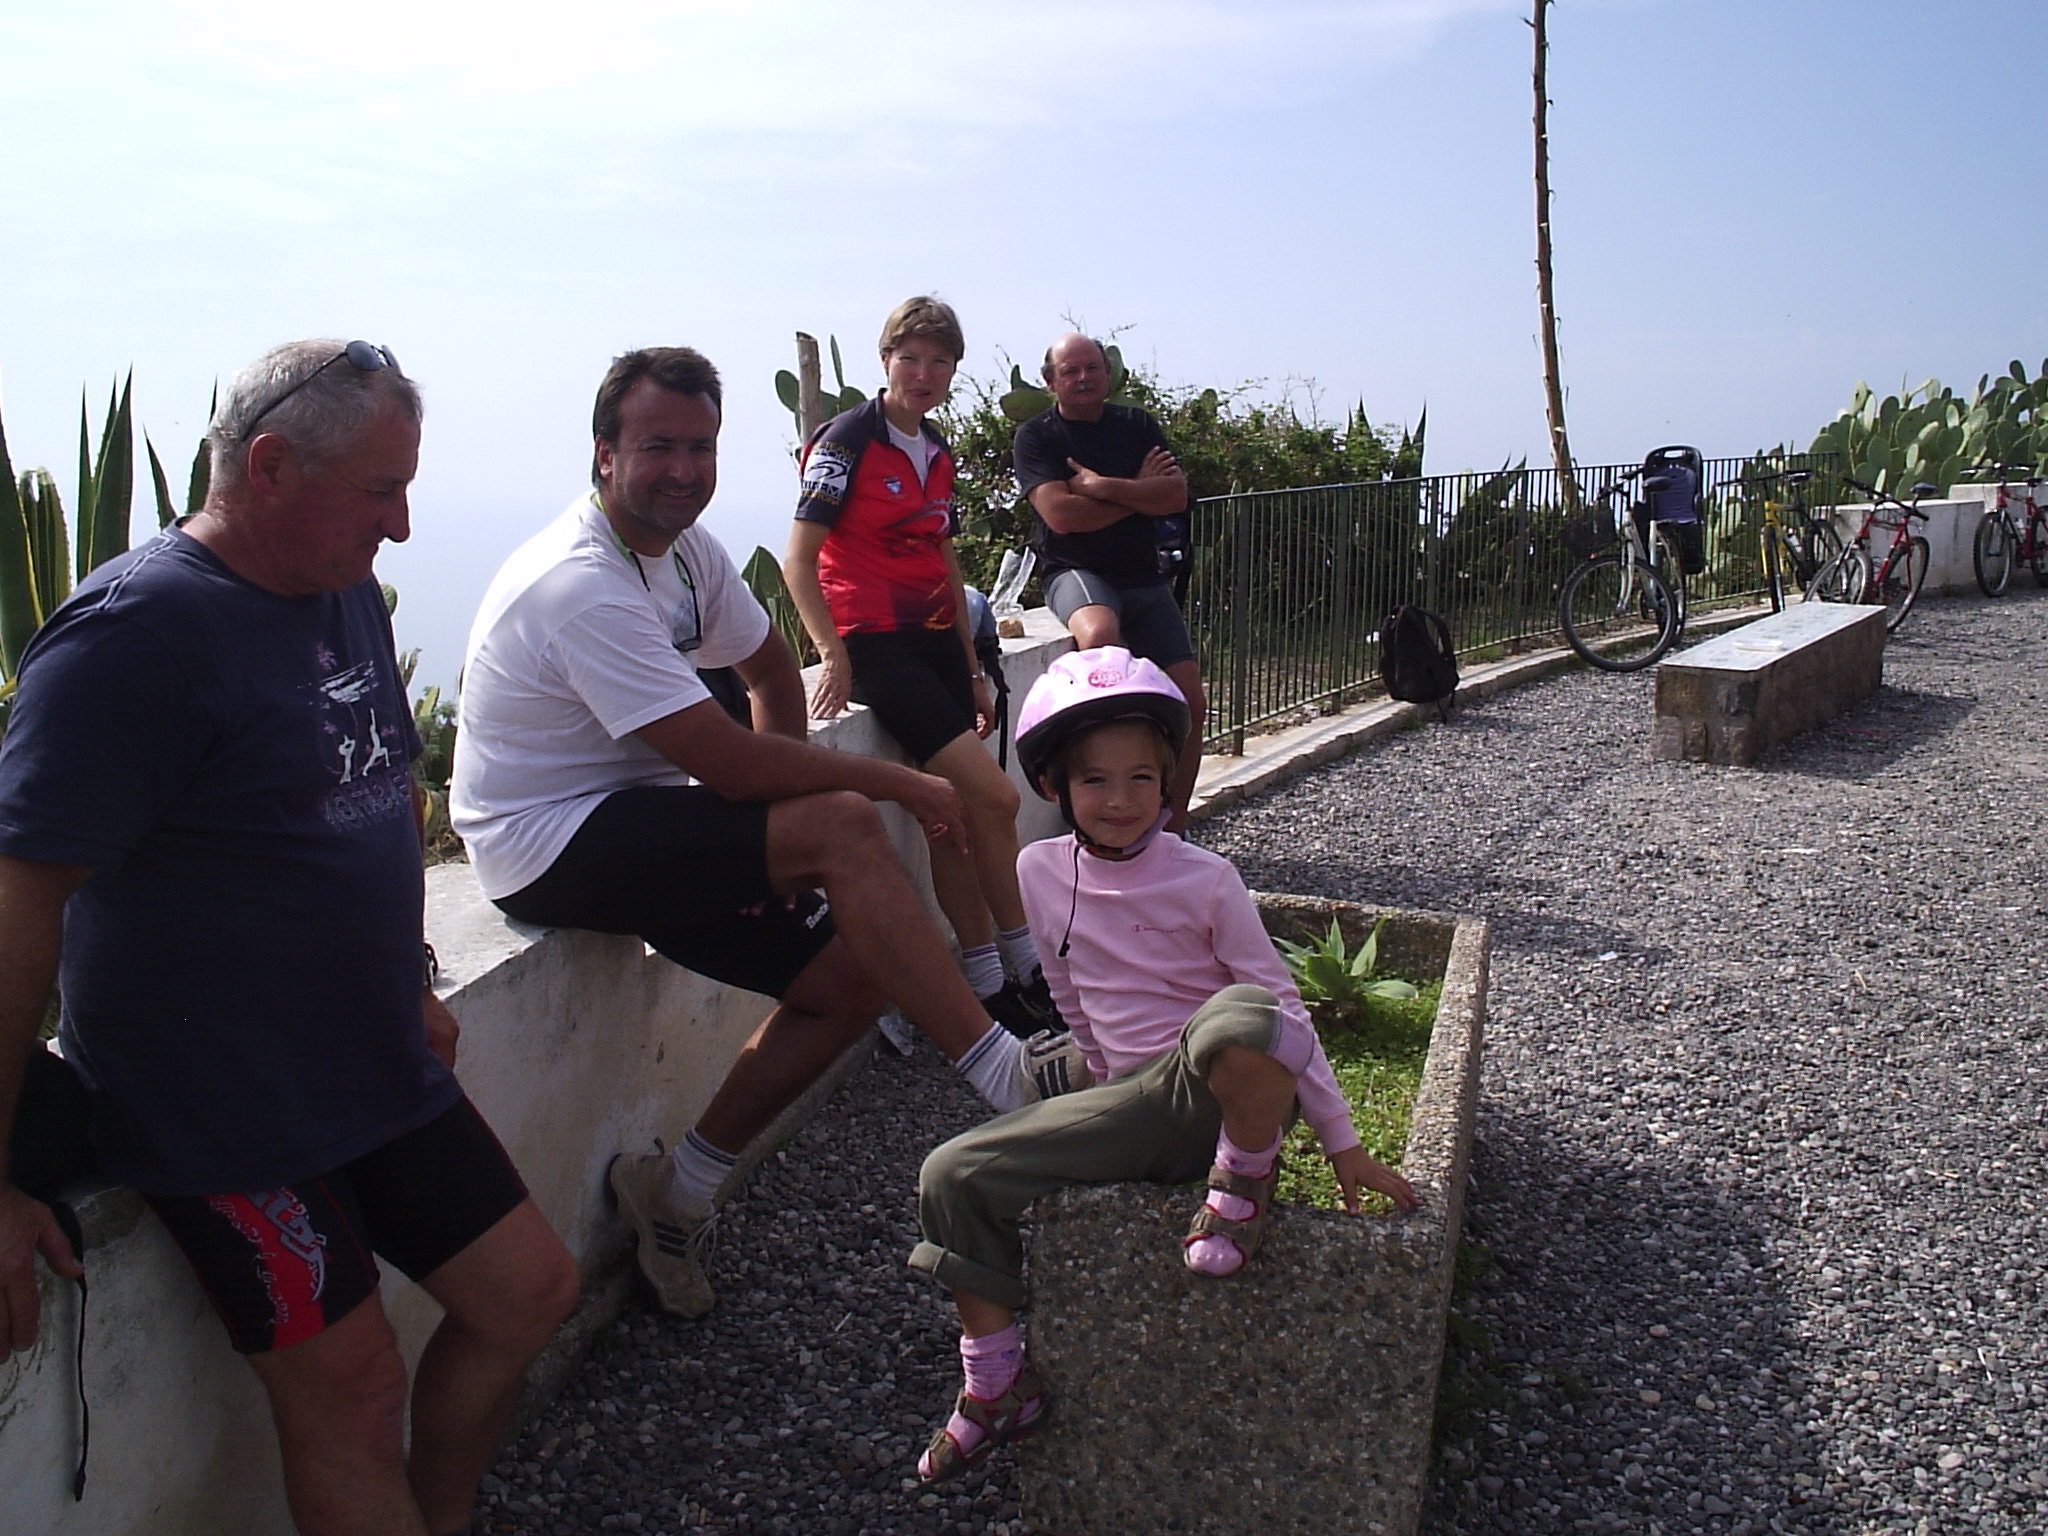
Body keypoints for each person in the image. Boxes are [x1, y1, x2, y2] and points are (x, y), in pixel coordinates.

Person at [0, 339, 579, 1536]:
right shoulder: (133, 638)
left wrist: (413, 972)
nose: (405, 526)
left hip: (369, 1061)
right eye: (382, 491)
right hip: (224, 1108)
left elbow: (384, 796)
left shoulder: (337, 583)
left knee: (528, 1294)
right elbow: (18, 901)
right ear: (269, 465)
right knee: (353, 1395)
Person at [450, 346, 1084, 1324]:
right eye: (657, 445)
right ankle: (1003, 1073)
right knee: (839, 821)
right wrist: (890, 788)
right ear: (603, 454)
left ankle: (678, 1199)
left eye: (700, 447)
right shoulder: (577, 582)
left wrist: (762, 840)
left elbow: (768, 676)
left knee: (844, 983)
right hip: (544, 843)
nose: (683, 469)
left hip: (645, 812)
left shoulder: (685, 553)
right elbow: (735, 765)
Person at [905, 646, 1420, 1483]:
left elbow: (1282, 1012)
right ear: (1055, 789)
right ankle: (996, 1386)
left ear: (1168, 781)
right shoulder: (1039, 871)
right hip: (1136, 1101)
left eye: (1142, 778)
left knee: (1241, 1017)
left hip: (1224, 1094)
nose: (1120, 800)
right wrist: (1094, 1087)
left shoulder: (1207, 879)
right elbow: (1070, 989)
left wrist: (1341, 1141)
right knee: (949, 1173)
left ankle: (1244, 1181)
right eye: (1096, 781)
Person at [783, 297, 1053, 1037]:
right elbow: (798, 560)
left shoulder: (936, 450)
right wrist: (831, 651)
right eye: (911, 358)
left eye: (940, 362)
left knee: (952, 819)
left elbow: (941, 553)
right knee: (993, 801)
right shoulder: (845, 443)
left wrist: (970, 665)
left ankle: (987, 981)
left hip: (937, 643)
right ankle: (1026, 965)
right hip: (877, 644)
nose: (925, 373)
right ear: (885, 360)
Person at [1012, 333, 1207, 825]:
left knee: (1190, 701)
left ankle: (1171, 828)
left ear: (1107, 372)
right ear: (1050, 380)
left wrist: (1100, 488)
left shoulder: (1135, 424)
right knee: (1101, 639)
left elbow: (1174, 497)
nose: (1082, 379)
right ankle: (1092, 817)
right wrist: (1138, 493)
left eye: (1091, 368)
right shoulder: (1037, 437)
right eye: (1070, 371)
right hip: (1076, 573)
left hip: (1143, 576)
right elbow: (1061, 517)